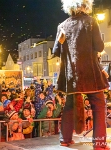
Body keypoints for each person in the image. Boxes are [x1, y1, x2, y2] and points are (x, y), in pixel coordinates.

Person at [52, 0, 109, 149]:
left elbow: (56, 51)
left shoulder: (62, 25)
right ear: (85, 5)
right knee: (98, 105)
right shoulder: (91, 22)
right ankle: (99, 143)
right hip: (91, 74)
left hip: (72, 76)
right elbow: (99, 46)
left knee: (69, 106)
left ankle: (64, 139)